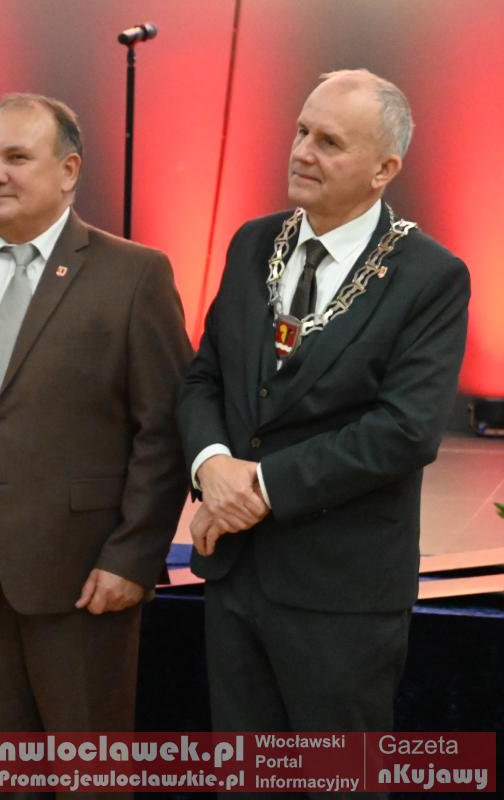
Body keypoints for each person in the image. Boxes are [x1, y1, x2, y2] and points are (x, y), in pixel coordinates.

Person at [0, 93, 191, 798]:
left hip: (87, 580)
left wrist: (133, 557)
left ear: (68, 170)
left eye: (17, 157)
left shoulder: (134, 274)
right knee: (0, 777)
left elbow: (164, 431)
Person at [178, 69, 471, 762]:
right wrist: (211, 464)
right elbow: (203, 379)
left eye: (330, 142)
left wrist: (260, 487)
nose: (303, 151)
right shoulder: (253, 242)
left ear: (384, 170)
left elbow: (405, 430)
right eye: (302, 131)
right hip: (236, 578)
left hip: (342, 594)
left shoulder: (430, 276)